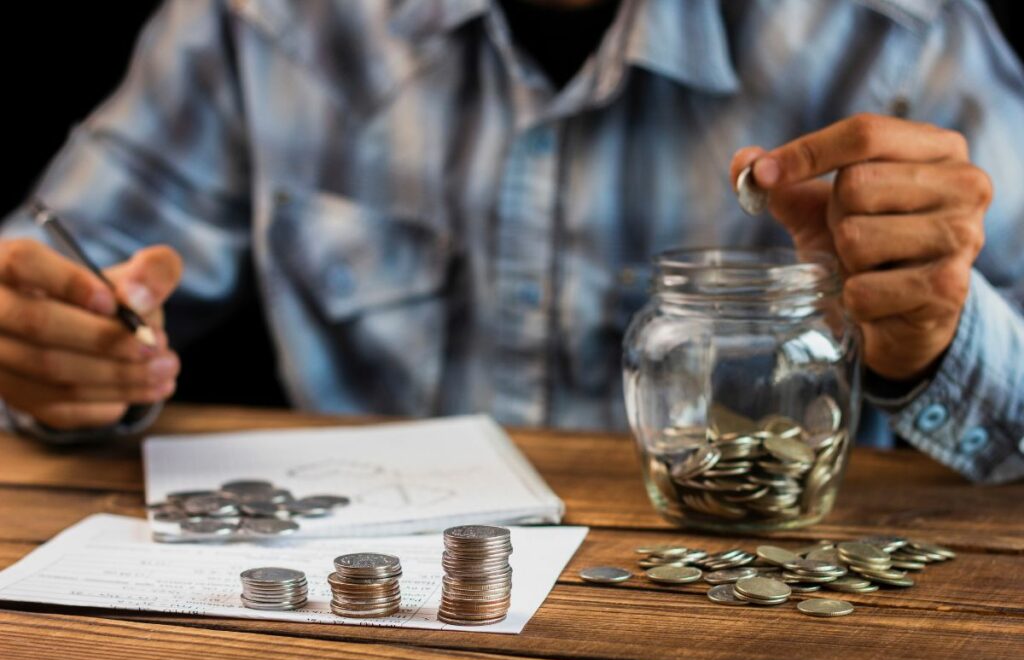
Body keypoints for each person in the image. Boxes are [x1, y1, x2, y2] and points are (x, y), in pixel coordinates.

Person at [0, 0, 1021, 483]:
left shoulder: (897, 34)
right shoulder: (258, 22)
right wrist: (54, 347)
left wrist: (932, 333)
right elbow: (59, 274)